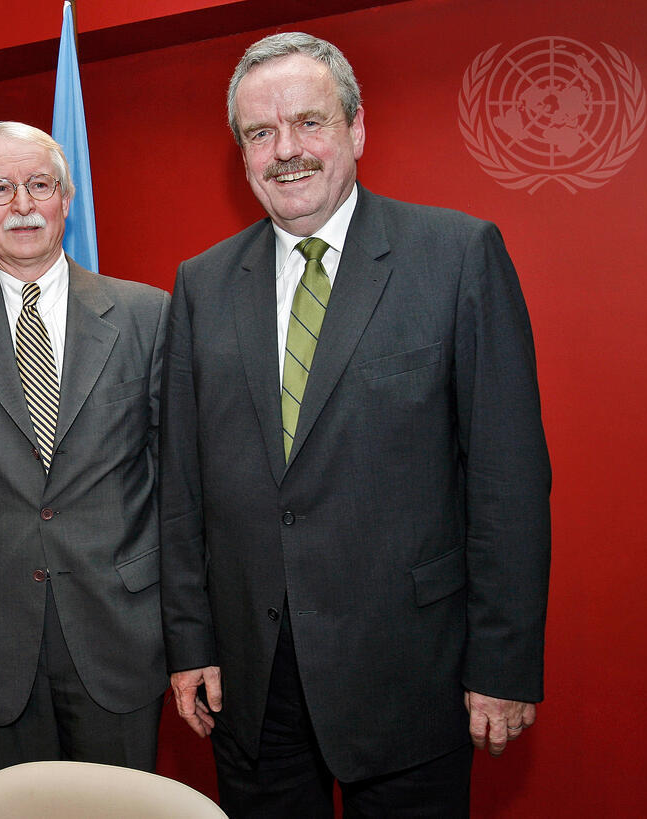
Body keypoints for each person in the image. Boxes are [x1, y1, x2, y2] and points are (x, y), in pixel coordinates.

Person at [159, 33, 551, 817]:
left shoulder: (457, 256)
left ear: (357, 128)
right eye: (261, 132)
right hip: (253, 681)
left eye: (309, 122)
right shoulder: (201, 284)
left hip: (412, 675)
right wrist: (190, 640)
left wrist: (503, 664)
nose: (286, 150)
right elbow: (182, 484)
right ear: (243, 154)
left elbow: (507, 481)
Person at [0, 121, 170, 780]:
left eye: (40, 185)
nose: (22, 204)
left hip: (121, 629)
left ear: (66, 200)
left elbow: (180, 489)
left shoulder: (147, 315)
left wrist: (190, 633)